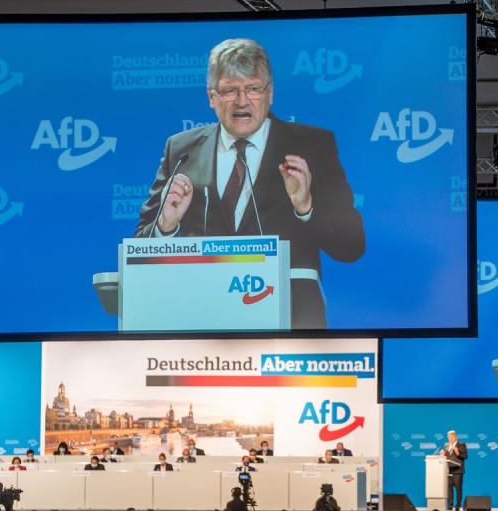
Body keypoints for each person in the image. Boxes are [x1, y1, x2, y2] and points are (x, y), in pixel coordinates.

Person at [133, 37, 365, 329]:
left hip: (290, 331)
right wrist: (166, 227)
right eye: (230, 90)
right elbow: (139, 254)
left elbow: (351, 246)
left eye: (253, 89)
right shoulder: (181, 151)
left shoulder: (312, 146)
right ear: (211, 96)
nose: (242, 101)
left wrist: (305, 207)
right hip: (200, 328)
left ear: (270, 94)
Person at [440, 430, 467, 511]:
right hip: (449, 471)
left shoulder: (461, 445)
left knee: (458, 490)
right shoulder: (446, 446)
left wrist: (458, 453)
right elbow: (446, 458)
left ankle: (458, 507)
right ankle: (450, 506)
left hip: (458, 471)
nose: (450, 438)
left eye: (451, 436)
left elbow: (465, 456)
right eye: (449, 437)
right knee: (449, 490)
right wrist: (442, 455)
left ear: (455, 437)